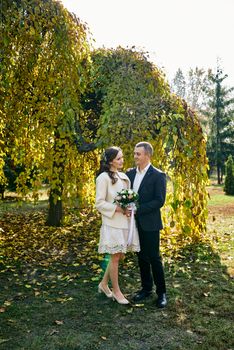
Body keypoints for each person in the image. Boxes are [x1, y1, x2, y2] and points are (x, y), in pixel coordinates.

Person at [95, 146, 140, 305]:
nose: (122, 160)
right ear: (110, 160)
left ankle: (103, 284)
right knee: (114, 257)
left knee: (119, 255)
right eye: (119, 158)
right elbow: (99, 203)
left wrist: (128, 209)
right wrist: (118, 209)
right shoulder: (103, 178)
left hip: (126, 223)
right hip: (112, 223)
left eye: (122, 157)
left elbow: (128, 199)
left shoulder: (123, 177)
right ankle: (117, 291)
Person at [126, 141, 167, 308]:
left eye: (138, 154)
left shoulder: (158, 175)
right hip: (133, 224)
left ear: (147, 155)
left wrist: (138, 209)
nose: (135, 156)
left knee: (154, 258)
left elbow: (159, 201)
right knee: (141, 257)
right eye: (135, 153)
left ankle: (162, 293)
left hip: (150, 223)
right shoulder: (129, 174)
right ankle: (146, 288)